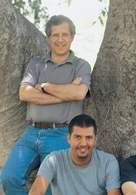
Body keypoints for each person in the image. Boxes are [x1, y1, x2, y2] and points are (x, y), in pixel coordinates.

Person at [1, 15, 91, 195]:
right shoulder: (36, 64)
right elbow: (24, 93)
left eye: (65, 34)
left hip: (61, 134)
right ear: (48, 38)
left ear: (72, 36)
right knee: (9, 176)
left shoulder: (81, 66)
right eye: (55, 35)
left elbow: (79, 93)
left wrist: (44, 87)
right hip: (31, 133)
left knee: (51, 187)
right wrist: (64, 94)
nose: (60, 39)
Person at [29, 114, 121, 195]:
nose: (83, 143)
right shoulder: (53, 160)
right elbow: (37, 190)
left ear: (95, 140)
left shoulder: (108, 162)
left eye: (88, 137)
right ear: (69, 138)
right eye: (78, 137)